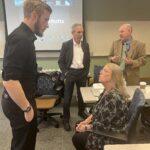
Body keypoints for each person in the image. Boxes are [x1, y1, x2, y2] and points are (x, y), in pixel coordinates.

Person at [1, 0, 52, 149]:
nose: (47, 24)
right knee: (22, 145)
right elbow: (9, 80)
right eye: (46, 19)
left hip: (23, 100)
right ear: (34, 15)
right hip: (19, 104)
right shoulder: (20, 38)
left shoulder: (25, 37)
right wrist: (27, 108)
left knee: (27, 143)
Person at [72, 63, 129, 150]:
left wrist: (86, 127)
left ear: (113, 77)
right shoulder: (107, 90)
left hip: (111, 135)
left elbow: (103, 126)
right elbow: (95, 110)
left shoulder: (112, 97)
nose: (100, 72)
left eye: (105, 71)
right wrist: (86, 121)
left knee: (77, 138)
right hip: (105, 127)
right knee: (79, 124)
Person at [58, 23, 90, 131]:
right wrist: (66, 73)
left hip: (82, 73)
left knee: (82, 96)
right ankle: (66, 119)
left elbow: (88, 60)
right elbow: (60, 61)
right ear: (73, 33)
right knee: (67, 98)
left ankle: (81, 112)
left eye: (82, 32)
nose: (81, 34)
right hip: (70, 73)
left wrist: (85, 73)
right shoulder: (66, 45)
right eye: (78, 32)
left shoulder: (85, 45)